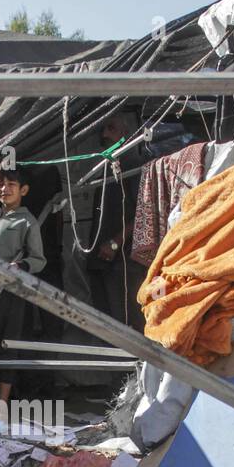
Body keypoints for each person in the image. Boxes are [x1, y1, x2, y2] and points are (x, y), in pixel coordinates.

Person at [0, 162, 46, 404]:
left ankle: (1, 403)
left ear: (23, 190)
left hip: (9, 292)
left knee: (7, 345)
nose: (4, 189)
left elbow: (39, 259)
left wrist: (22, 266)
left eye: (11, 184)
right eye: (0, 184)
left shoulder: (28, 223)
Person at [86, 113, 145, 333]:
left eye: (110, 128)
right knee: (107, 323)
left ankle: (129, 367)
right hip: (103, 259)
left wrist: (115, 242)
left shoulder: (133, 164)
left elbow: (142, 210)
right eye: (102, 130)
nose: (104, 135)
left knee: (126, 323)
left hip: (123, 260)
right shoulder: (107, 166)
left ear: (125, 133)